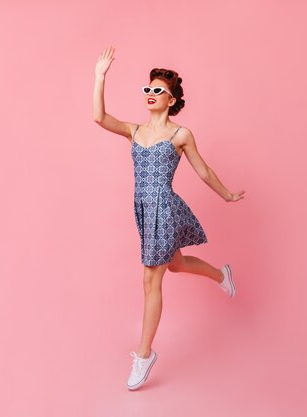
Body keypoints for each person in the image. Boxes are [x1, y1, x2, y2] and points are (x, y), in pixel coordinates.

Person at [92, 46, 245, 390]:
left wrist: (227, 194)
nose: (150, 94)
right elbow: (99, 118)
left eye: (158, 90)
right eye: (148, 89)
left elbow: (203, 170)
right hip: (144, 209)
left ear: (172, 99)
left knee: (150, 279)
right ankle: (221, 274)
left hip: (164, 208)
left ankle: (144, 354)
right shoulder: (134, 130)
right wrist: (100, 77)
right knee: (175, 264)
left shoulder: (180, 135)